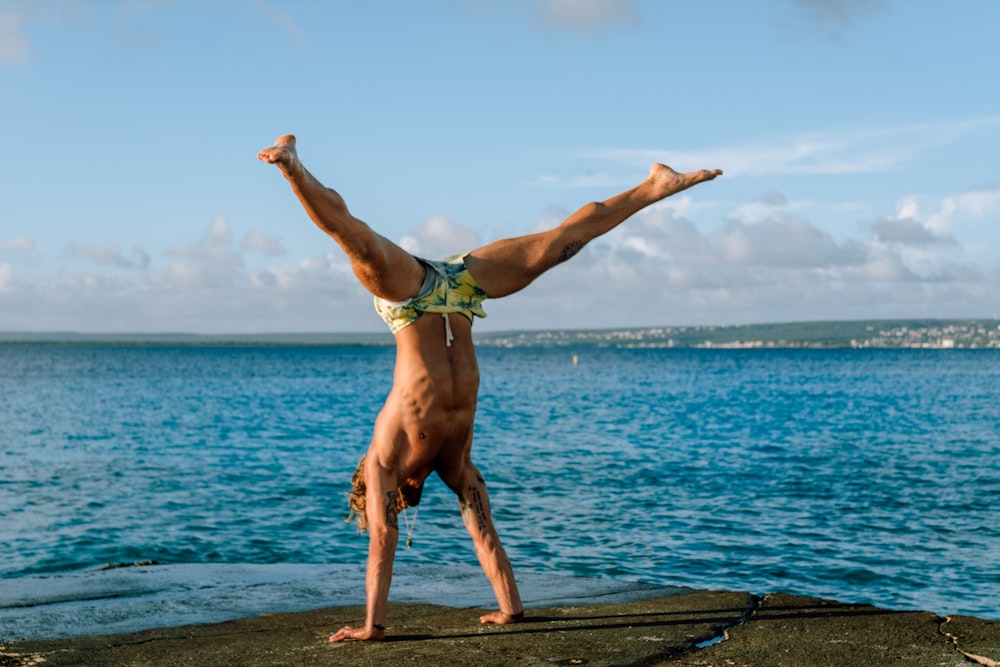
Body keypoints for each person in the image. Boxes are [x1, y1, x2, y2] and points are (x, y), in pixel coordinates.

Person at [257, 135, 721, 642]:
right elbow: (483, 533)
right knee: (561, 244)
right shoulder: (456, 465)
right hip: (461, 287)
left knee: (355, 239)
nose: (407, 499)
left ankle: (291, 167)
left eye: (399, 499)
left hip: (409, 295)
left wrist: (372, 626)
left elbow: (382, 539)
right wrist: (510, 610)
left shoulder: (381, 461)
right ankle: (655, 186)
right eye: (405, 500)